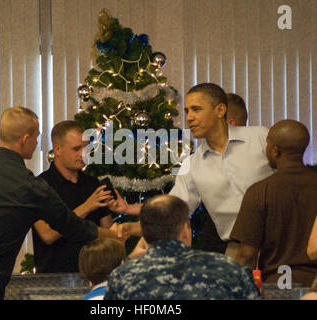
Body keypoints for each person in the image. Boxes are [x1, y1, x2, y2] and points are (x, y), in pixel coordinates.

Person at [0, 107, 121, 300]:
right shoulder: (30, 186)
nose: (37, 143)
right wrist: (111, 234)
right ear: (25, 139)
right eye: (36, 138)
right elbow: (71, 226)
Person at [109, 83, 273, 254]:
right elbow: (169, 214)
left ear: (220, 110)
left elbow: (290, 180)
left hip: (281, 242)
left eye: (196, 109)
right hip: (236, 249)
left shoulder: (260, 137)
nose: (189, 118)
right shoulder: (192, 164)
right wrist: (128, 227)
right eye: (187, 111)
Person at [104, 194, 260, 300]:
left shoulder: (121, 277)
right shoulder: (227, 269)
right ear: (185, 231)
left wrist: (130, 260)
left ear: (144, 234)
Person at [230, 120, 317, 287]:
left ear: (275, 150)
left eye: (267, 144)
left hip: (277, 285)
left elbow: (247, 255)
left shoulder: (259, 191)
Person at [32, 120, 114, 273]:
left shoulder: (93, 184)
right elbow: (47, 235)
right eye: (76, 148)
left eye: (85, 147)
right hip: (52, 279)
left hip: (94, 276)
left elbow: (109, 235)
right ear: (57, 149)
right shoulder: (40, 186)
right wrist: (87, 207)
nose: (83, 153)